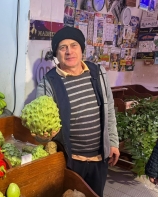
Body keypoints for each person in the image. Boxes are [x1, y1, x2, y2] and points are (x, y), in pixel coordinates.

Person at [35, 26, 120, 197]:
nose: (69, 52)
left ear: (81, 49)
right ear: (56, 54)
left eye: (74, 45)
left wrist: (113, 142)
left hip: (99, 160)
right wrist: (44, 135)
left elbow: (109, 108)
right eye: (62, 47)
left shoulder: (98, 73)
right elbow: (40, 129)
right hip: (70, 162)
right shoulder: (48, 83)